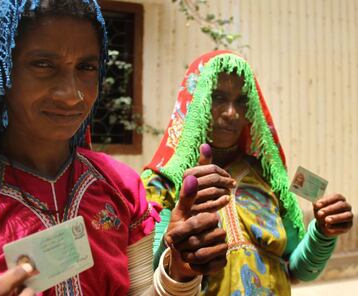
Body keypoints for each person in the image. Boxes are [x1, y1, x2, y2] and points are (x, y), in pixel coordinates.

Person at [0, 1, 230, 295]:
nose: (71, 95)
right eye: (43, 65)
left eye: (86, 67)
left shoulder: (120, 186)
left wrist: (179, 271)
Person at [142, 50, 354, 295]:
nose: (231, 112)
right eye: (218, 97)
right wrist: (179, 242)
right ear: (195, 101)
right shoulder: (162, 185)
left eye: (241, 101)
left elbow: (298, 271)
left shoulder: (266, 178)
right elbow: (149, 280)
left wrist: (323, 233)